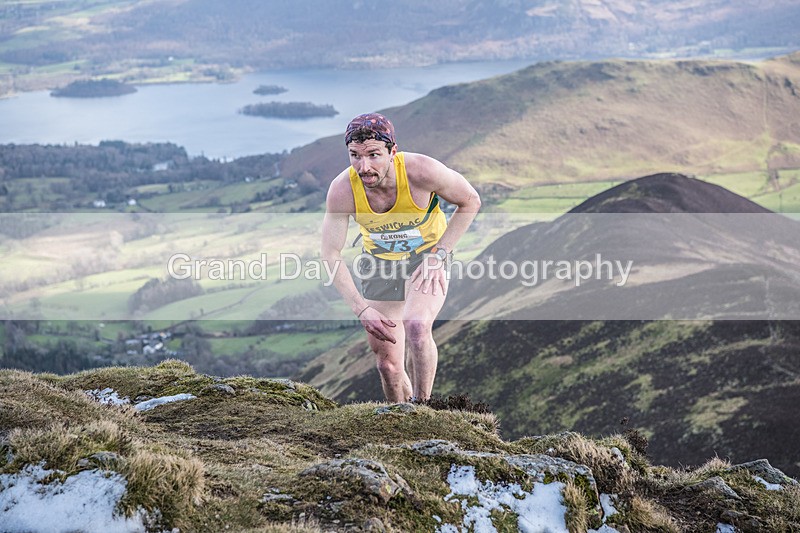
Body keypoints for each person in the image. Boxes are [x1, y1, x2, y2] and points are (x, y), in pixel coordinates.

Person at [321, 113, 481, 402]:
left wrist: (439, 254)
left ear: (392, 151)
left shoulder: (421, 171)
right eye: (355, 156)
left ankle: (423, 408)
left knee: (417, 325)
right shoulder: (343, 190)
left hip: (426, 257)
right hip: (380, 263)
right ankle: (399, 418)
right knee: (388, 367)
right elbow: (330, 253)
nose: (364, 167)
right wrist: (361, 309)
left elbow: (470, 201)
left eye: (373, 155)